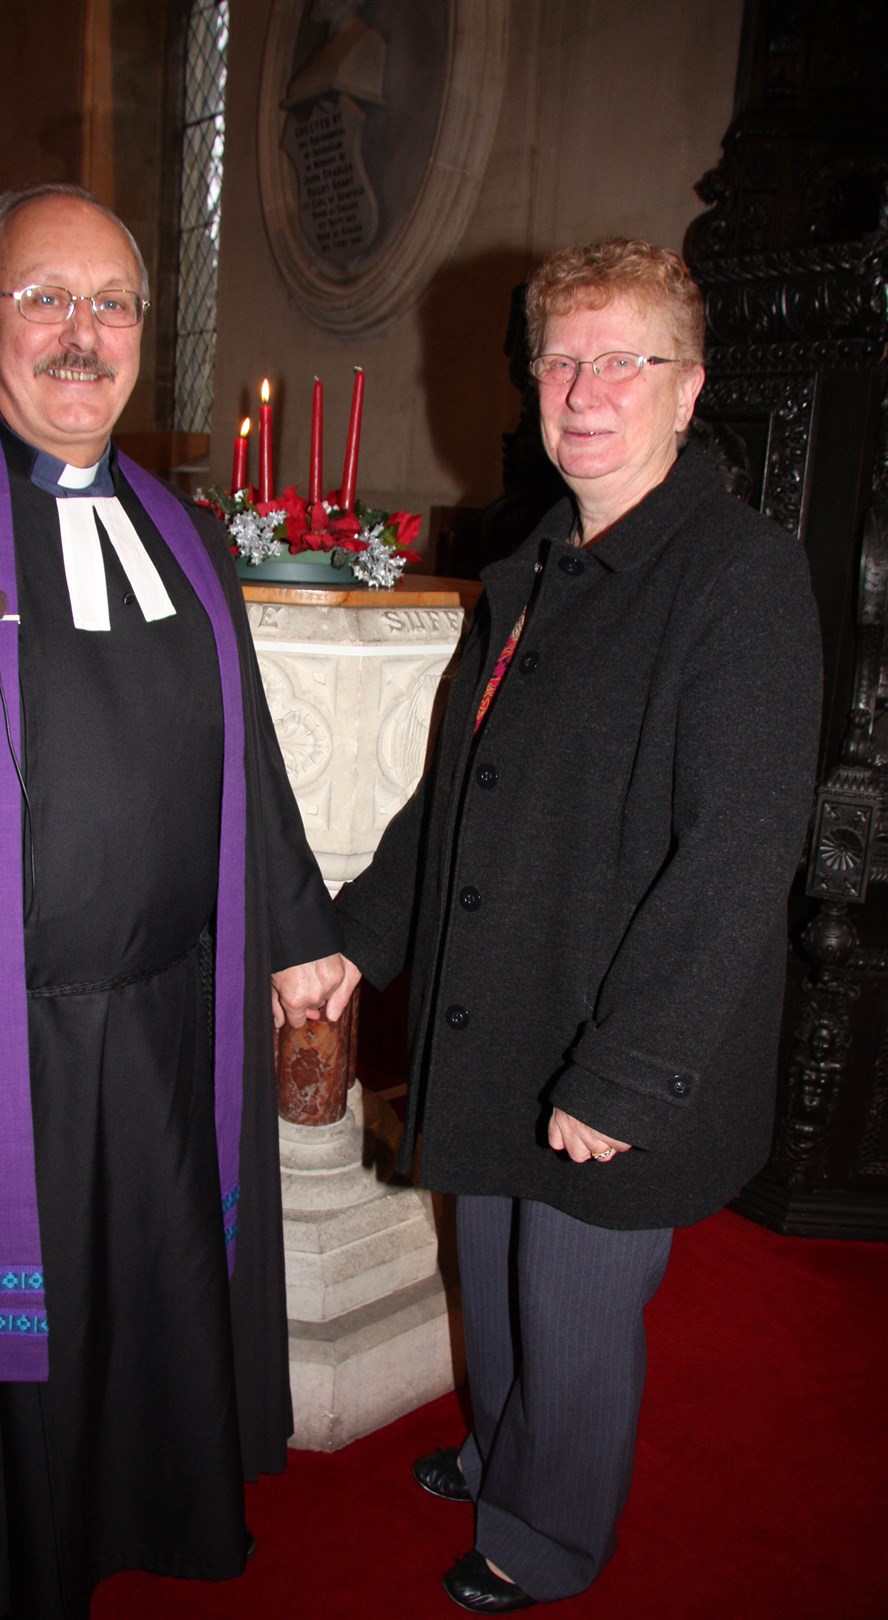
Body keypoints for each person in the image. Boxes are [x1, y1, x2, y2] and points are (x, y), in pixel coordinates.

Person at [0, 181, 345, 1620]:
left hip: (168, 1029)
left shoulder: (187, 531)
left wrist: (296, 938)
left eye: (111, 303)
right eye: (45, 296)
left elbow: (251, 766)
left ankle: (110, 1531)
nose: (80, 332)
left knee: (133, 1318)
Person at [330, 239, 823, 1612]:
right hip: (508, 998)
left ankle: (543, 1537)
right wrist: (360, 938)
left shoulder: (737, 577)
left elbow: (735, 854)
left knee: (575, 1302)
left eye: (625, 359)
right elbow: (458, 795)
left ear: (690, 389)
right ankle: (499, 1445)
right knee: (490, 1265)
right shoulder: (534, 560)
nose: (585, 388)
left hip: (624, 1024)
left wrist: (629, 1071)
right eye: (560, 359)